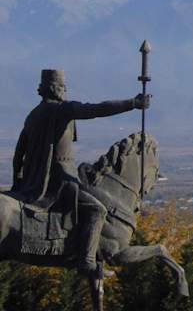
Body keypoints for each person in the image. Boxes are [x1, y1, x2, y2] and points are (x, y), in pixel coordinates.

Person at [11, 68, 149, 275]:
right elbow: (96, 109)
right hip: (60, 180)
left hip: (33, 182)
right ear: (52, 88)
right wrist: (132, 104)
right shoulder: (62, 110)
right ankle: (87, 260)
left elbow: (17, 155)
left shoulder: (33, 115)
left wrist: (18, 182)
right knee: (97, 210)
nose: (64, 90)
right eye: (61, 87)